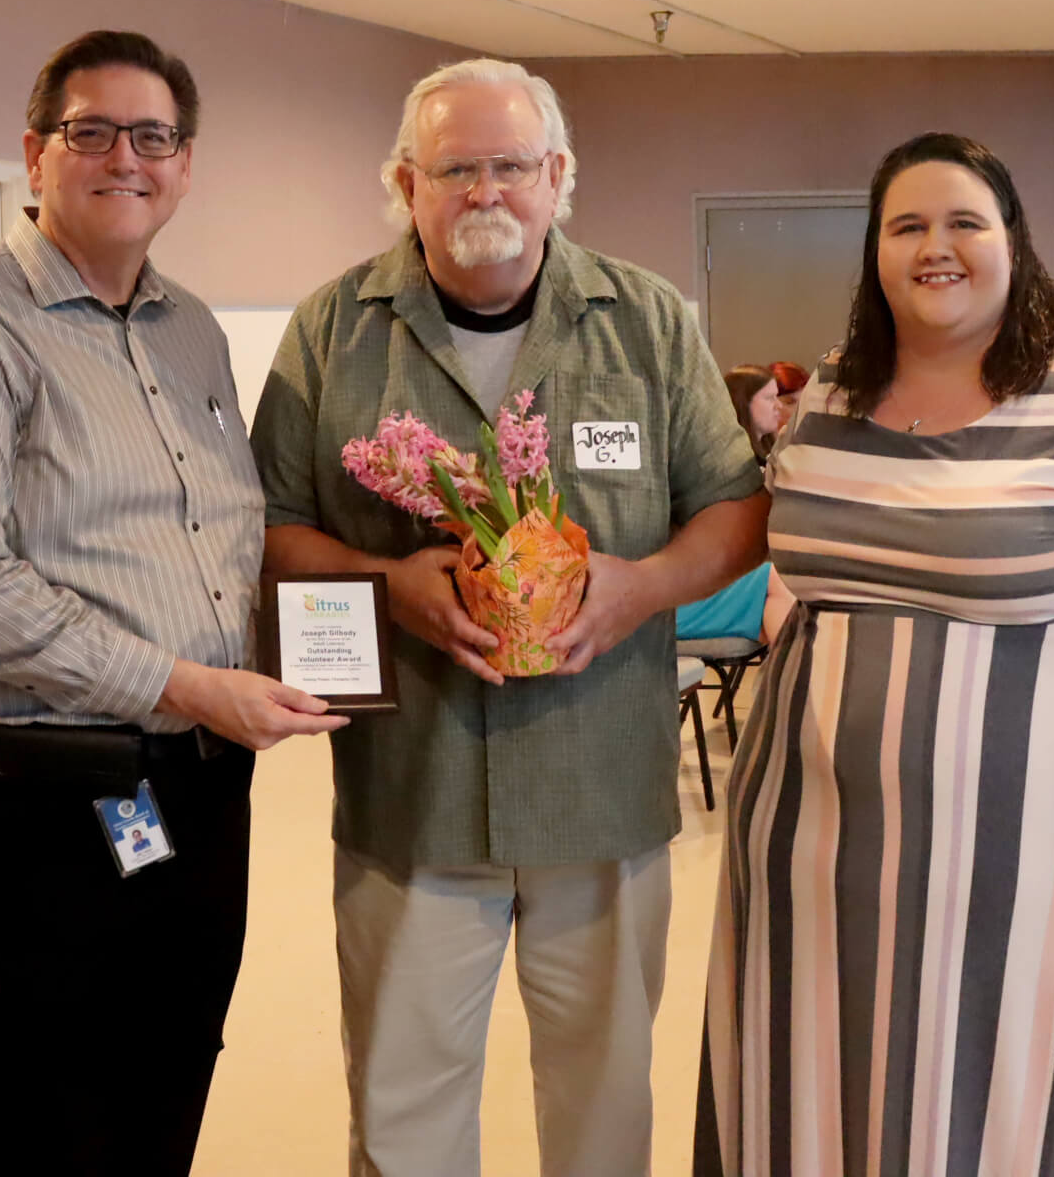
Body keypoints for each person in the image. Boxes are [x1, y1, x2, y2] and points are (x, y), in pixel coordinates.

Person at [696, 133, 1054, 1176]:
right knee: (852, 1086)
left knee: (1046, 1098)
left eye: (965, 221)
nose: (937, 246)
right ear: (874, 253)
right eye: (907, 225)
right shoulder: (832, 395)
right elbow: (807, 574)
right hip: (832, 854)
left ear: (1015, 242)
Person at [250, 58, 768, 1177]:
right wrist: (387, 585)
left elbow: (734, 507)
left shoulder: (646, 324)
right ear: (407, 183)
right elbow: (272, 526)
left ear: (558, 175)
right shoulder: (333, 332)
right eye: (457, 169)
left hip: (602, 790)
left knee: (602, 1099)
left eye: (512, 166)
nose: (487, 192)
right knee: (402, 1106)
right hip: (412, 795)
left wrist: (641, 588)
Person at [0, 30, 345, 1176]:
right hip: (39, 801)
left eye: (154, 135)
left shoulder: (193, 329)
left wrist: (336, 628)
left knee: (167, 1075)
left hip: (199, 785)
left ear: (185, 164)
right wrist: (186, 681)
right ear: (34, 154)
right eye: (92, 131)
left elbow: (221, 534)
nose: (127, 156)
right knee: (52, 1115)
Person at [678, 365, 796, 644]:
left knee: (786, 600)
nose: (778, 407)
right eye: (769, 399)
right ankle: (801, 682)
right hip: (695, 577)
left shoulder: (767, 455)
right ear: (743, 402)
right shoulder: (719, 463)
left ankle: (795, 680)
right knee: (781, 582)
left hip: (723, 570)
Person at [724, 363, 784, 463]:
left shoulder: (771, 453)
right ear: (743, 402)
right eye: (769, 398)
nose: (779, 405)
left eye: (776, 396)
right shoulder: (731, 461)